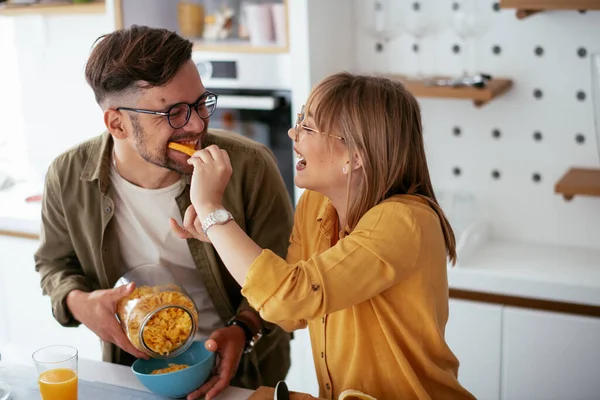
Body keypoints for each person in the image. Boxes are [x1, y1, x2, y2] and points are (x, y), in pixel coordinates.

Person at [173, 72, 477, 400]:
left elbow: (288, 296)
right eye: (300, 119)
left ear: (355, 156)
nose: (293, 132)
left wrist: (211, 210)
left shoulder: (404, 221)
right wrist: (218, 234)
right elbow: (291, 315)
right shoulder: (315, 205)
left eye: (309, 126)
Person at [34, 25, 293, 400]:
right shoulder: (67, 174)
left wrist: (243, 329)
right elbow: (54, 264)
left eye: (201, 103)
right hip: (135, 375)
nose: (197, 124)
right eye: (173, 113)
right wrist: (80, 303)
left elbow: (286, 273)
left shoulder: (249, 166)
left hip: (244, 375)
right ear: (117, 123)